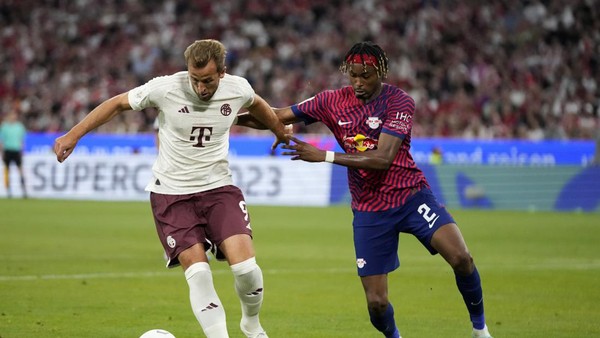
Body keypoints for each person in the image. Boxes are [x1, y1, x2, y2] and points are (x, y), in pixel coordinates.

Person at [238, 41, 492, 338]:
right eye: (353, 75)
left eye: (365, 76)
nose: (358, 82)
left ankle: (480, 329)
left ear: (380, 72)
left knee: (461, 257)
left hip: (410, 195)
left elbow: (382, 159)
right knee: (377, 303)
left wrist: (326, 155)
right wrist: (222, 117)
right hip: (369, 209)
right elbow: (276, 114)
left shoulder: (399, 102)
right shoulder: (332, 101)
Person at [54, 39, 289, 338]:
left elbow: (258, 104)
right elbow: (116, 103)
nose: (201, 88)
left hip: (219, 188)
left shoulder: (238, 88)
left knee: (246, 269)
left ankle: (251, 324)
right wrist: (73, 135)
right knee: (199, 275)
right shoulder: (165, 88)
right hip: (171, 195)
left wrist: (279, 131)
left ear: (223, 73)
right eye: (195, 79)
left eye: (208, 81)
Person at [0, 110, 28, 198]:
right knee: (7, 171)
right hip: (8, 150)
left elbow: (22, 140)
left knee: (20, 170)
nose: (13, 117)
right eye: (12, 115)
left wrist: (22, 150)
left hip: (16, 150)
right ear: (9, 116)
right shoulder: (4, 127)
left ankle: (24, 191)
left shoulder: (19, 127)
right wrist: (2, 152)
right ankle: (8, 192)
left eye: (14, 115)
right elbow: (2, 141)